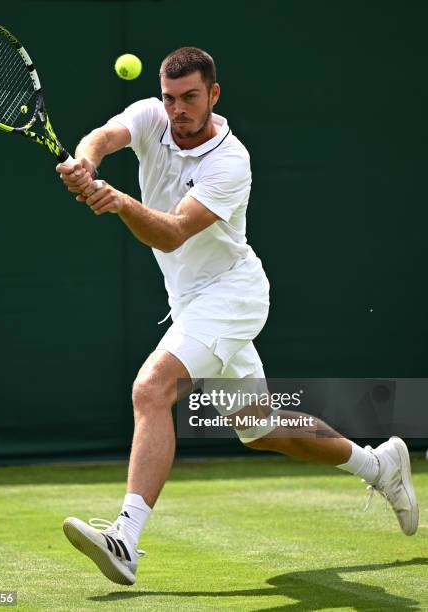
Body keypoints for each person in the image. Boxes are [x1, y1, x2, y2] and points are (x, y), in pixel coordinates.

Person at [58, 47, 418, 586]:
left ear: (214, 95)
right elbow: (105, 136)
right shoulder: (151, 116)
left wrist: (118, 202)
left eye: (190, 98)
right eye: (169, 97)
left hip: (231, 296)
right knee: (259, 428)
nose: (176, 109)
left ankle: (125, 539)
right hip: (190, 300)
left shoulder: (231, 161)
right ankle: (379, 465)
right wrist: (88, 162)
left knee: (151, 389)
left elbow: (174, 231)